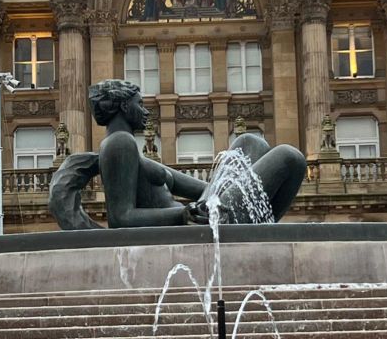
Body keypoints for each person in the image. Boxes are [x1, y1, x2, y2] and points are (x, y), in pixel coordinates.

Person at [48, 78, 304, 229]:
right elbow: (121, 218)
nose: (146, 111)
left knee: (251, 142)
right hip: (197, 224)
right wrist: (183, 213)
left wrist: (234, 182)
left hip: (203, 211)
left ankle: (259, 227)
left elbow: (203, 187)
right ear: (124, 106)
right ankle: (260, 230)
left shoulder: (131, 151)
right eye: (140, 104)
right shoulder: (119, 144)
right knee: (289, 157)